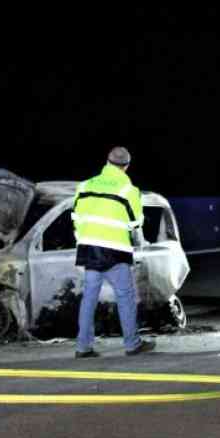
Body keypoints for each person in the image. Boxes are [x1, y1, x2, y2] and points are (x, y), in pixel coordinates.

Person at [72, 146, 156, 357]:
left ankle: (83, 347)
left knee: (89, 297)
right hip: (114, 251)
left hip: (88, 249)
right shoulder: (128, 190)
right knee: (125, 296)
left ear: (107, 162)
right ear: (126, 167)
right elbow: (136, 222)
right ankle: (132, 344)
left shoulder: (84, 186)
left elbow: (75, 218)